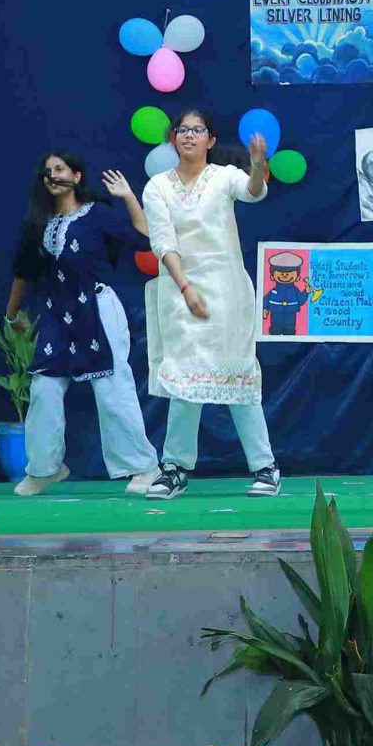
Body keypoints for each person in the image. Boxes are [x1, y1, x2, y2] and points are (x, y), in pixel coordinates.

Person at [3, 155, 161, 497]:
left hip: (97, 309)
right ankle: (45, 469)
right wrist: (11, 315)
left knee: (111, 390)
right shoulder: (38, 224)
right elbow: (23, 272)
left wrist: (128, 197)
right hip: (56, 316)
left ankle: (144, 467)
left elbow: (145, 239)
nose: (53, 175)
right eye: (47, 172)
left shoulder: (97, 214)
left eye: (60, 169)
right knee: (44, 389)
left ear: (76, 176)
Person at [143, 108, 281, 500]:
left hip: (226, 290)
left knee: (237, 373)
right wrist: (186, 288)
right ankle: (174, 468)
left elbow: (254, 192)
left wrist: (258, 164)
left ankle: (265, 467)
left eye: (198, 130)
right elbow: (163, 242)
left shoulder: (224, 176)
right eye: (183, 130)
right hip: (181, 292)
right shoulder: (157, 186)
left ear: (211, 140)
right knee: (185, 376)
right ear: (173, 138)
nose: (189, 135)